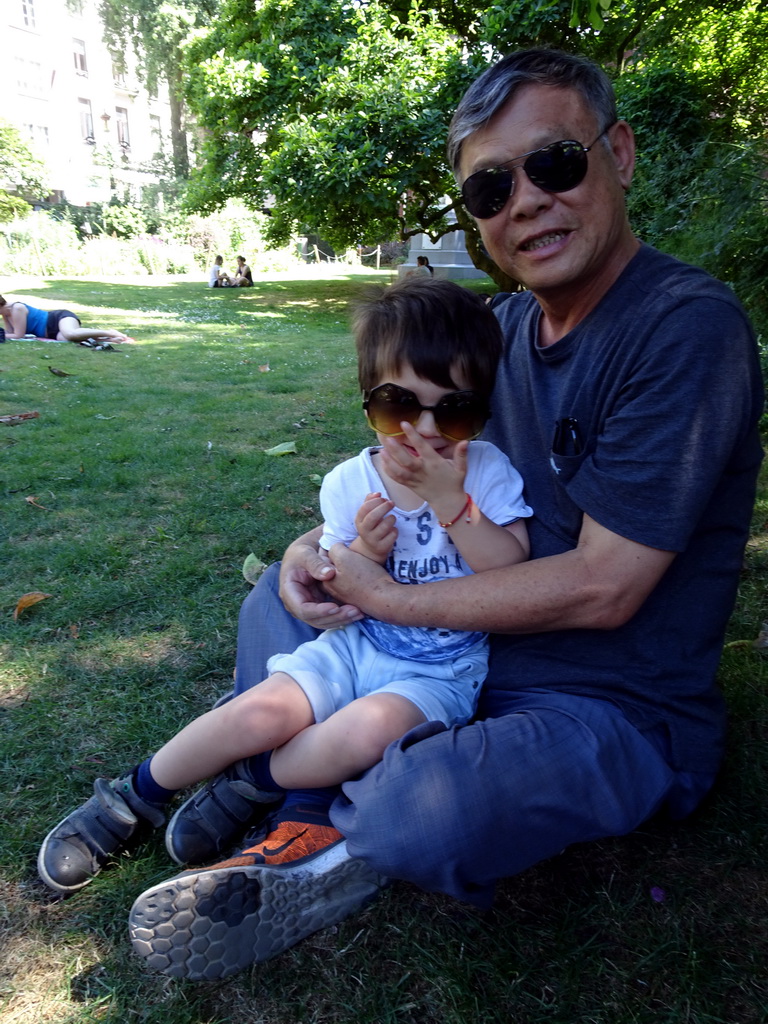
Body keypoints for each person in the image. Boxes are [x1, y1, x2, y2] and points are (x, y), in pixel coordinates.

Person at [123, 47, 763, 980]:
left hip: (609, 704)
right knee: (279, 591)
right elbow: (403, 462)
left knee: (424, 811)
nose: (527, 203)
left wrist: (386, 599)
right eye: (491, 188)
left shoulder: (684, 329)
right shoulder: (497, 332)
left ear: (617, 154)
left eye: (553, 164)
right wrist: (322, 554)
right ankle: (305, 774)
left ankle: (315, 820)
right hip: (463, 655)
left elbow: (604, 588)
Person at [37, 278, 532, 900]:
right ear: (367, 401)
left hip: (440, 671)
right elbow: (336, 568)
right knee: (260, 709)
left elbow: (510, 566)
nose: (424, 432)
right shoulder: (352, 483)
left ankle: (253, 777)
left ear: (481, 410)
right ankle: (137, 794)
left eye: (454, 411)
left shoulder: (486, 474)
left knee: (363, 733)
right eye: (397, 408)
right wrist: (361, 553)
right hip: (355, 644)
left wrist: (450, 502)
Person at [0, 295, 130, 343]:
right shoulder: (5, 314)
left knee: (70, 333)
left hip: (57, 319)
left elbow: (18, 335)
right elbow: (9, 334)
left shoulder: (16, 308)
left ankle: (110, 332)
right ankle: (110, 339)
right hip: (52, 333)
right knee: (66, 339)